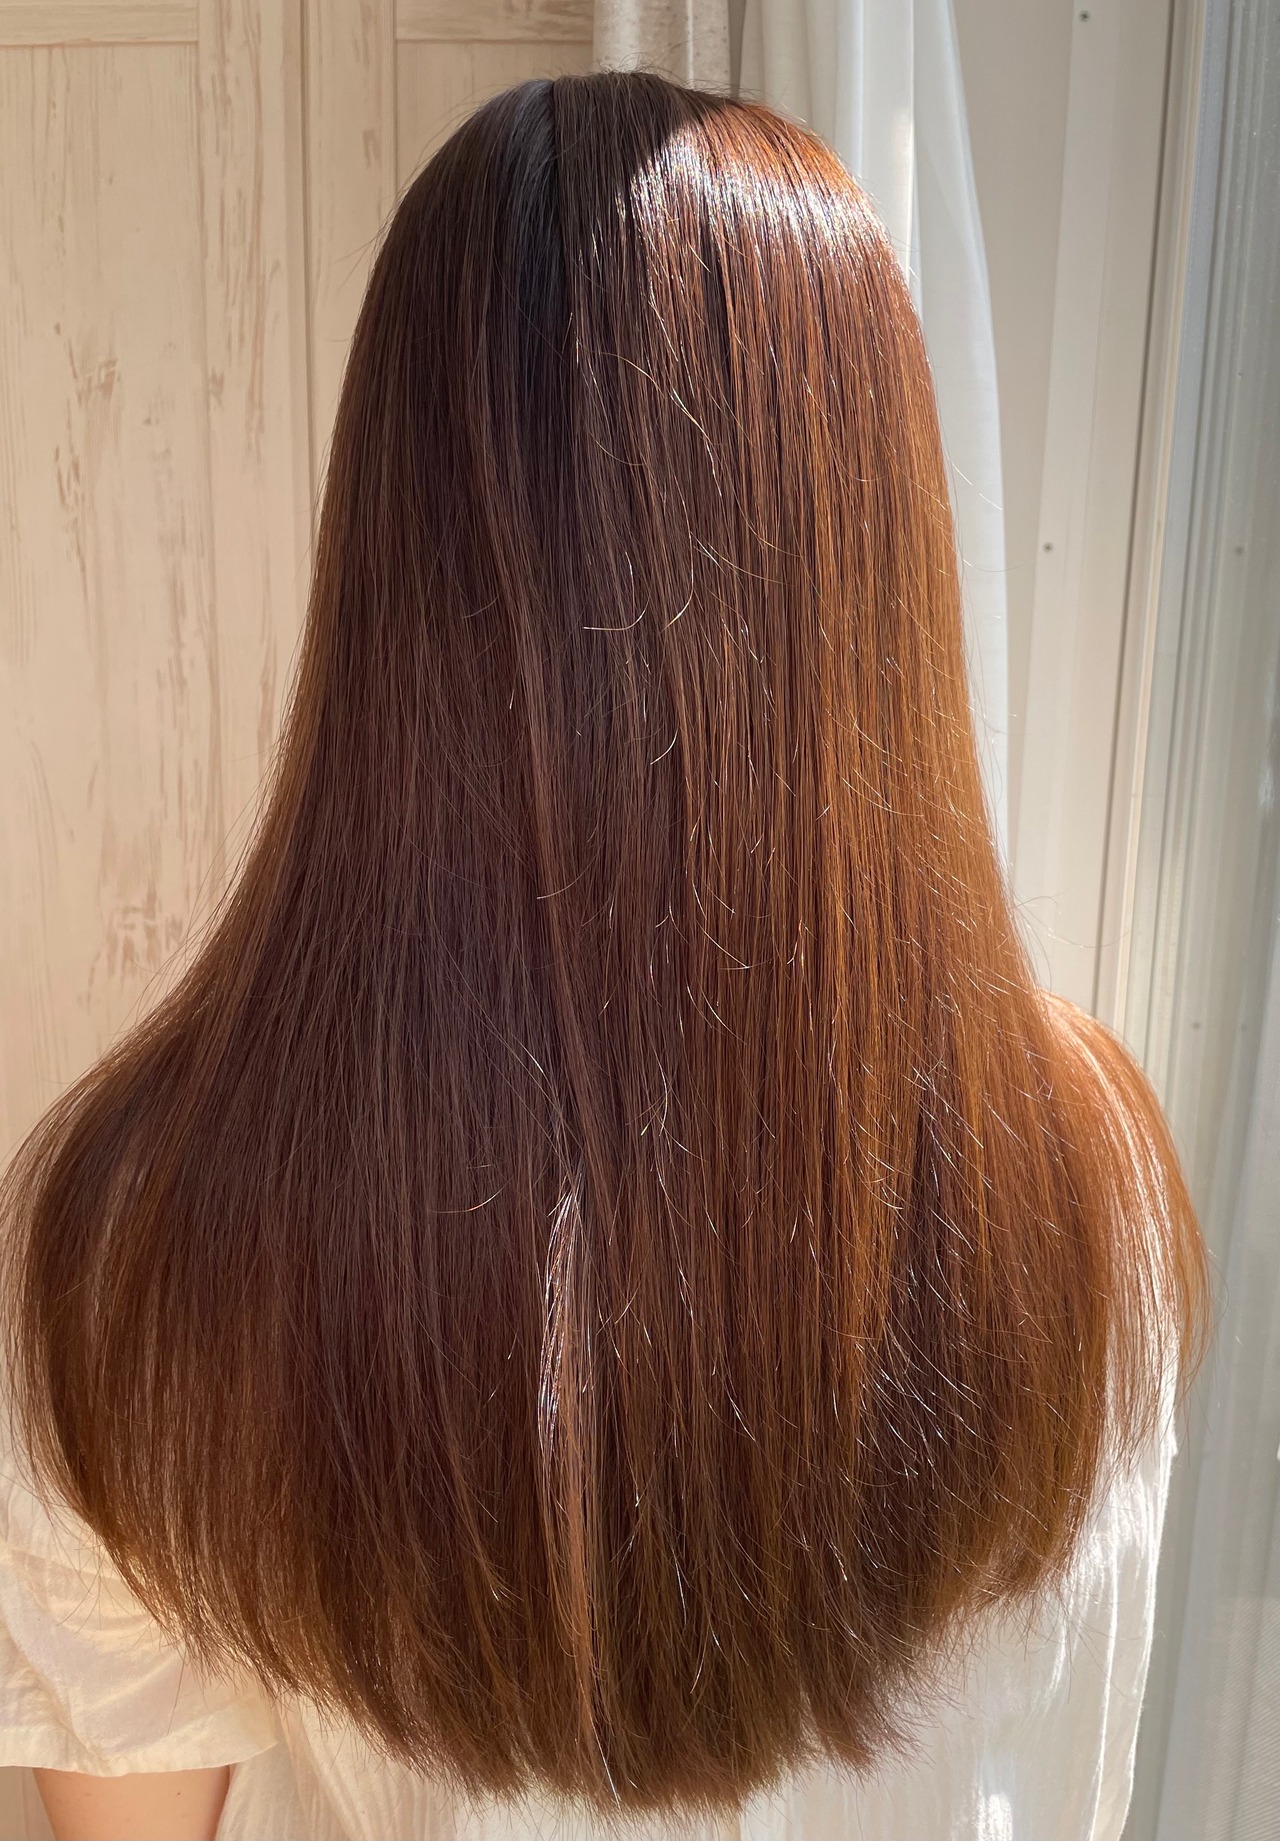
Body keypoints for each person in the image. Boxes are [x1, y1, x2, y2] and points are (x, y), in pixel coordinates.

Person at [0, 70, 1208, 1841]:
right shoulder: (1089, 1187)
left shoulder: (139, 1243)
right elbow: (1065, 1759)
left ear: (394, 558)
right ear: (878, 551)